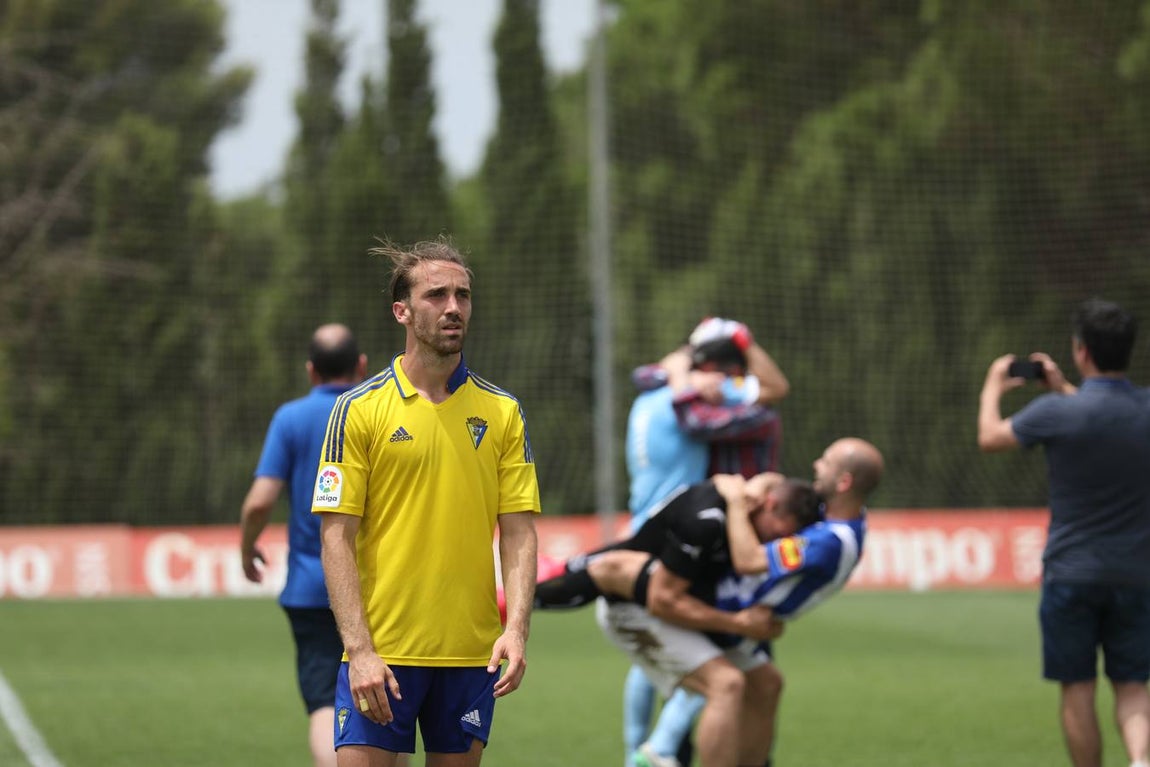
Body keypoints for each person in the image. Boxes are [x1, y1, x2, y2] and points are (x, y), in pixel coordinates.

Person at [312, 238, 541, 767]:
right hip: (382, 655)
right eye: (436, 295)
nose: (453, 307)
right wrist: (361, 650)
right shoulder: (357, 409)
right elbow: (335, 536)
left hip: (470, 657)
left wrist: (517, 629)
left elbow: (520, 532)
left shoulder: (503, 412)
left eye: (462, 295)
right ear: (403, 311)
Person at [535, 473, 822, 767]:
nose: (773, 545)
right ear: (770, 505)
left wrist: (751, 487)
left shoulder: (748, 504)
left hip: (677, 605)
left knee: (767, 683)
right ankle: (652, 753)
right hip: (635, 609)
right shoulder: (705, 521)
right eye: (776, 535)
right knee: (726, 685)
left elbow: (772, 479)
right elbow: (663, 600)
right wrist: (739, 623)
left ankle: (655, 753)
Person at [977, 298, 1150, 767]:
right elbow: (1110, 415)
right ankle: (1140, 761)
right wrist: (1066, 389)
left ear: (1081, 350)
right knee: (1133, 684)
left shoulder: (1054, 412)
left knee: (1078, 687)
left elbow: (990, 437)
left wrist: (993, 386)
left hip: (1071, 573)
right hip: (1137, 572)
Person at [622, 317, 789, 767]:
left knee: (672, 654)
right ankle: (659, 749)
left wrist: (686, 373)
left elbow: (770, 388)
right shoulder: (692, 399)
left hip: (673, 525)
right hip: (713, 536)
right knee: (726, 656)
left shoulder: (659, 395)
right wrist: (688, 377)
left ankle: (649, 749)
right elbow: (699, 418)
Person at [239, 323, 368, 767]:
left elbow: (259, 504)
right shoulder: (378, 411)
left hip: (313, 588)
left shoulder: (290, 418)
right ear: (362, 366)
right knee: (386, 709)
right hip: (378, 588)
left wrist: (247, 550)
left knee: (324, 705)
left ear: (311, 371)